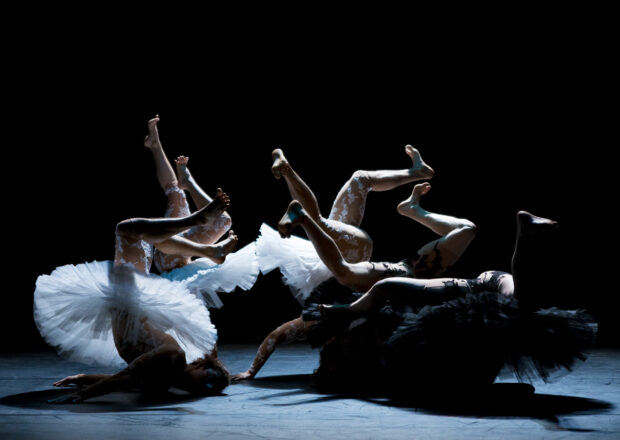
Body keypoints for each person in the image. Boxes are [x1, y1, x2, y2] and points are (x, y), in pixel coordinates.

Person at [233, 147, 475, 380]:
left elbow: (277, 335)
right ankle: (415, 185)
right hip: (386, 269)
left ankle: (296, 196)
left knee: (321, 226)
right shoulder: (360, 307)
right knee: (360, 179)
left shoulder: (328, 312)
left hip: (353, 260)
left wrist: (252, 370)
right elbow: (276, 336)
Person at [313, 211, 596, 396]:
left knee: (514, 311)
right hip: (486, 288)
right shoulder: (393, 354)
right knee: (517, 315)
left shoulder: (388, 336)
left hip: (476, 291)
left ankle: (525, 237)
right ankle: (525, 237)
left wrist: (342, 313)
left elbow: (381, 291)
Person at [37, 191, 237, 403]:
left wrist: (83, 379)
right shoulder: (174, 357)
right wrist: (85, 394)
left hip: (125, 306)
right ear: (201, 366)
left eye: (208, 386)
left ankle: (207, 249)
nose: (206, 385)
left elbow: (130, 379)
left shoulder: (168, 380)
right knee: (128, 231)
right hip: (131, 301)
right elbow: (128, 376)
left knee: (143, 237)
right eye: (209, 379)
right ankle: (199, 224)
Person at [143, 115, 258, 307]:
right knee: (177, 194)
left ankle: (187, 182)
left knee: (220, 219)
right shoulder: (188, 284)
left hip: (171, 259)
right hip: (174, 259)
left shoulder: (178, 288)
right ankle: (158, 148)